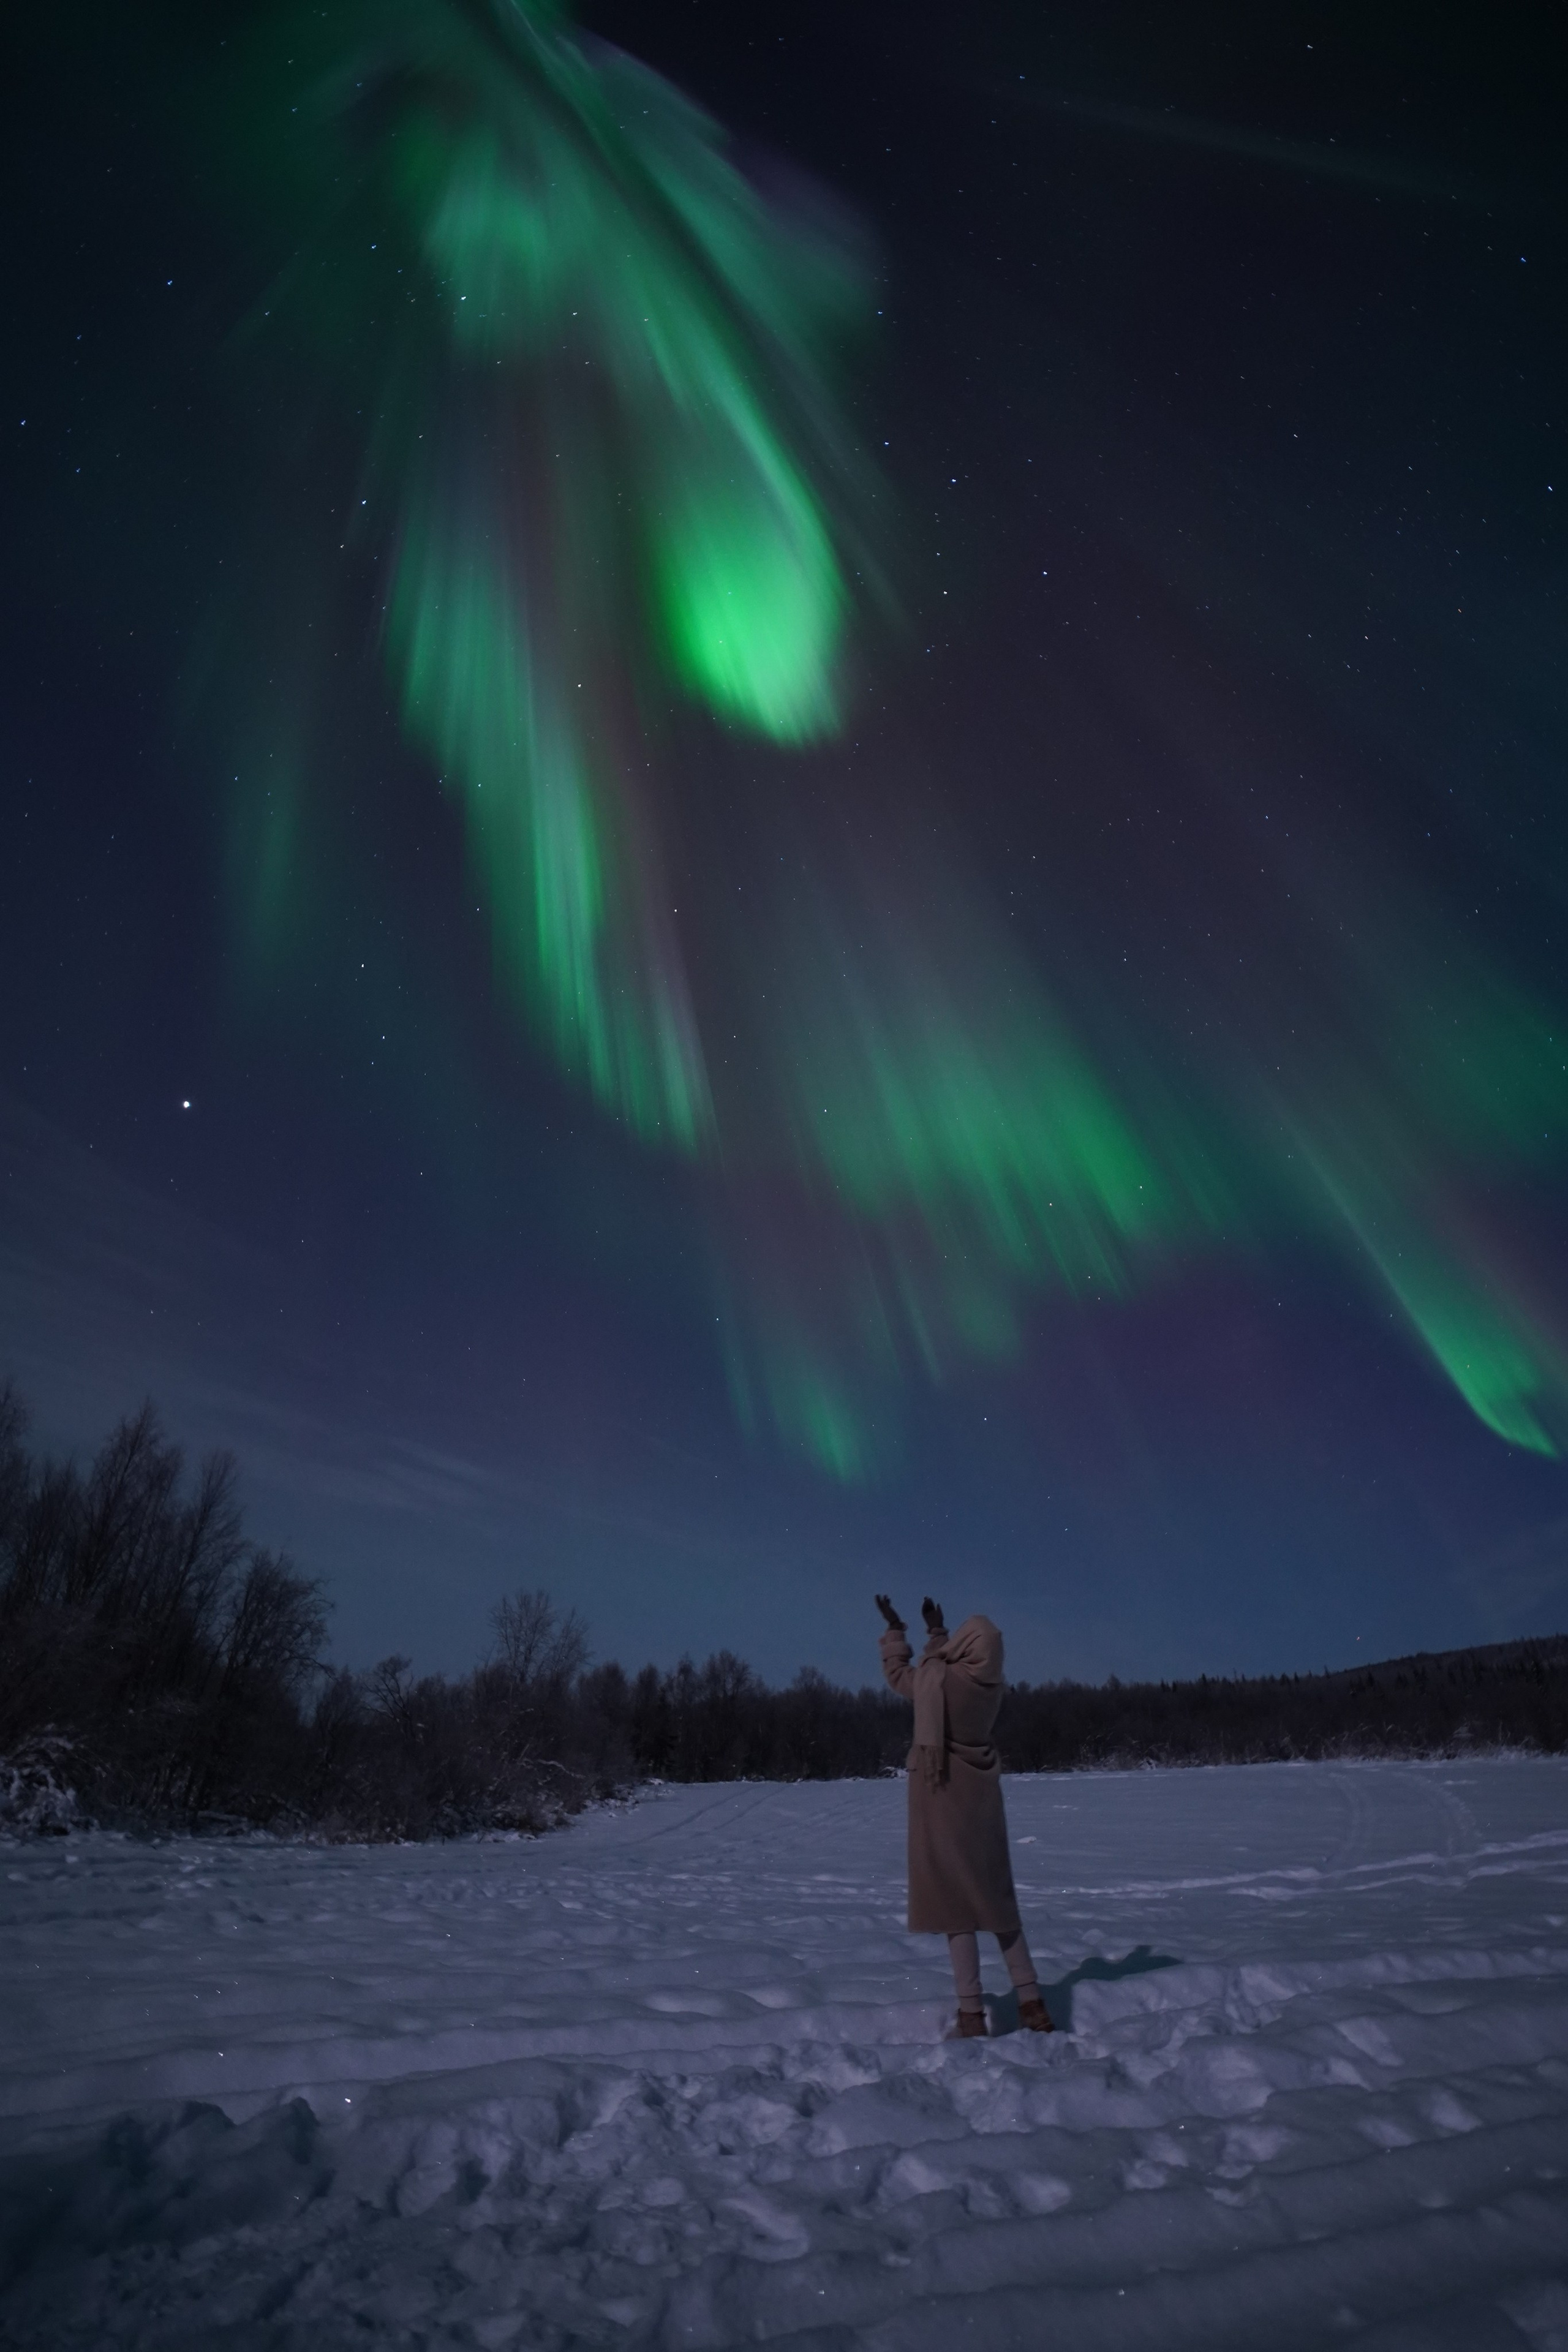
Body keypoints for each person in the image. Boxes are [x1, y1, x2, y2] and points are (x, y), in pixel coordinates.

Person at [876, 1592, 1054, 2040]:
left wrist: (897, 1631)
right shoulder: (991, 1687)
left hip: (942, 1802)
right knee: (999, 1906)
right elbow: (944, 1664)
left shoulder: (940, 1682)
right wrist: (937, 1633)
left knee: (956, 1909)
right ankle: (1032, 2004)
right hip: (983, 1806)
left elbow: (903, 1676)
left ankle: (972, 2015)